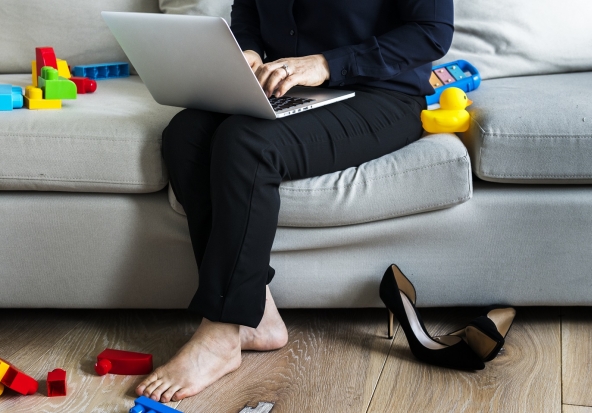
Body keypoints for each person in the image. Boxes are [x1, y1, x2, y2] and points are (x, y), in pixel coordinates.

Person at [136, 0, 454, 402]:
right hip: (291, 89)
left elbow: (432, 32)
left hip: (382, 95)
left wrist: (325, 63)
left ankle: (221, 330)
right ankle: (259, 317)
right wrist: (246, 52)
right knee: (185, 136)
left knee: (247, 144)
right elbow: (249, 11)